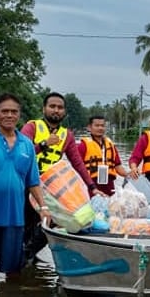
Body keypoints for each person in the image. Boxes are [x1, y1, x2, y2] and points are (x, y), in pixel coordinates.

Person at [0, 93, 51, 282]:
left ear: (19, 115)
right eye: (4, 111)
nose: (9, 115)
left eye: (14, 111)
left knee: (14, 270)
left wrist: (43, 207)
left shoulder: (27, 145)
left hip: (15, 217)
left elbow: (33, 181)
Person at [20, 92, 98, 263]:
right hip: (26, 185)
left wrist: (91, 187)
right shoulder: (31, 127)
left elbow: (77, 163)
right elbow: (20, 154)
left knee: (52, 223)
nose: (56, 110)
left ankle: (28, 254)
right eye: (52, 106)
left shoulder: (67, 135)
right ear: (44, 109)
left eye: (60, 107)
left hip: (50, 189)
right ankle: (21, 259)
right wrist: (43, 144)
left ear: (64, 112)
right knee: (25, 224)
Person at [77, 115, 128, 196]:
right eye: (97, 125)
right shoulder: (83, 146)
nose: (100, 128)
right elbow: (76, 167)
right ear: (89, 127)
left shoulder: (111, 145)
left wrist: (128, 174)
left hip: (109, 187)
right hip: (91, 188)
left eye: (102, 126)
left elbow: (118, 166)